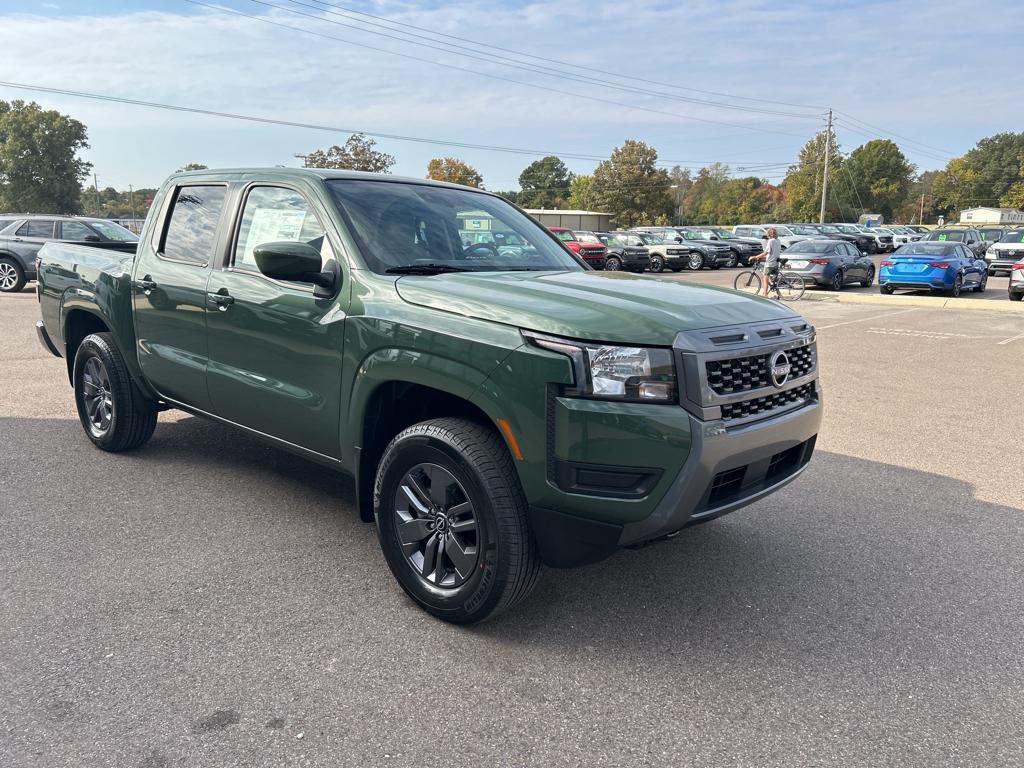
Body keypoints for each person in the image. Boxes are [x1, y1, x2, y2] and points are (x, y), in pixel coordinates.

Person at [750, 228, 781, 296]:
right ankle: (774, 290)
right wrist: (763, 258)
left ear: (769, 234)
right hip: (776, 262)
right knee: (772, 278)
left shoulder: (771, 241)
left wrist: (755, 257)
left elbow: (766, 252)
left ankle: (765, 294)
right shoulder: (778, 240)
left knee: (765, 278)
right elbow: (773, 253)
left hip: (770, 263)